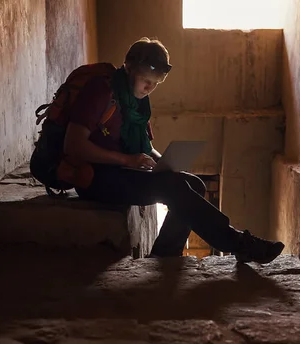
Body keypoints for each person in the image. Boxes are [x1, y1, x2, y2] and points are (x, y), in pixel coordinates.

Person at [39, 37, 285, 263]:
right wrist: (127, 159)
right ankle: (238, 243)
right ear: (129, 68)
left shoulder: (137, 102)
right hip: (94, 178)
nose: (149, 88)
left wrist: (162, 162)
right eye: (146, 81)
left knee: (195, 185)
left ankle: (166, 255)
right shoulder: (101, 91)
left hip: (121, 170)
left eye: (155, 84)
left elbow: (144, 147)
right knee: (173, 187)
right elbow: (74, 145)